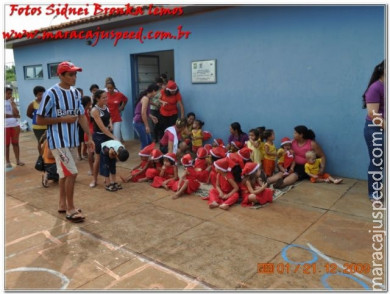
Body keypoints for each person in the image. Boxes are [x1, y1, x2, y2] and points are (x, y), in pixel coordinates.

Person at [36, 61, 94, 223]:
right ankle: (70, 209)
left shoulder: (76, 93)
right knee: (72, 173)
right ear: (61, 75)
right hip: (58, 141)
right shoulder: (51, 93)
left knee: (64, 174)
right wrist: (63, 119)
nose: (74, 77)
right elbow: (40, 118)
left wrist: (89, 137)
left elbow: (81, 115)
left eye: (75, 74)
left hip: (72, 141)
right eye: (71, 74)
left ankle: (62, 204)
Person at [267, 125, 326, 190]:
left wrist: (322, 168)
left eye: (295, 133)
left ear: (301, 135)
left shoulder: (312, 144)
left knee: (294, 175)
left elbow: (322, 156)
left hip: (304, 166)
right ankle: (267, 181)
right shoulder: (292, 142)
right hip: (292, 163)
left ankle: (281, 184)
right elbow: (285, 149)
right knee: (283, 172)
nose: (293, 134)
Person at [362, 60, 385, 205]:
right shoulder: (376, 88)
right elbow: (373, 114)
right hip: (375, 129)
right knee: (378, 162)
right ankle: (374, 192)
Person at [90, 90, 118, 188]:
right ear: (97, 99)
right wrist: (113, 136)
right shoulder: (94, 110)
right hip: (99, 136)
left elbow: (109, 117)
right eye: (104, 98)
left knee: (111, 156)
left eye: (106, 97)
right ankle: (94, 179)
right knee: (98, 158)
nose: (106, 99)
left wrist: (110, 124)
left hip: (108, 134)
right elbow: (101, 127)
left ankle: (111, 179)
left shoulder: (106, 107)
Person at [133, 84, 159, 149]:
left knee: (149, 141)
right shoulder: (145, 98)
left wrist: (152, 117)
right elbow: (143, 113)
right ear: (153, 91)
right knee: (145, 142)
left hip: (140, 122)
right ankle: (144, 157)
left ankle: (146, 156)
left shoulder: (146, 98)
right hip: (138, 122)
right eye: (156, 92)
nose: (156, 93)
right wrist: (147, 126)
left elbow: (144, 112)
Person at [5, 87, 24, 168]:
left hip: (15, 125)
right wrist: (13, 115)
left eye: (11, 93)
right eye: (8, 93)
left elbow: (17, 112)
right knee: (6, 145)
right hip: (5, 126)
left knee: (15, 143)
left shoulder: (11, 102)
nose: (10, 95)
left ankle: (17, 160)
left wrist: (12, 103)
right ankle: (7, 161)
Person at [105, 78, 128, 142]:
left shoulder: (119, 95)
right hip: (107, 118)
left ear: (114, 87)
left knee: (116, 136)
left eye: (111, 88)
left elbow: (125, 99)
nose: (110, 90)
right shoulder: (105, 95)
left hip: (116, 118)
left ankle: (118, 150)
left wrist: (122, 106)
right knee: (108, 137)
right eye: (108, 88)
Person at [81, 96, 94, 175]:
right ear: (89, 102)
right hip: (94, 131)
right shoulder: (93, 110)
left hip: (87, 132)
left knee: (90, 152)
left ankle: (92, 170)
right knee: (97, 153)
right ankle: (97, 168)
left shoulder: (82, 111)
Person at [150, 77, 165, 143]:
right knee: (154, 124)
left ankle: (160, 138)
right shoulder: (152, 90)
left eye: (161, 84)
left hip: (161, 109)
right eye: (159, 84)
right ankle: (154, 138)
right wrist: (156, 105)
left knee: (160, 124)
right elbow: (148, 100)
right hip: (153, 109)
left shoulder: (162, 90)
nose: (160, 85)